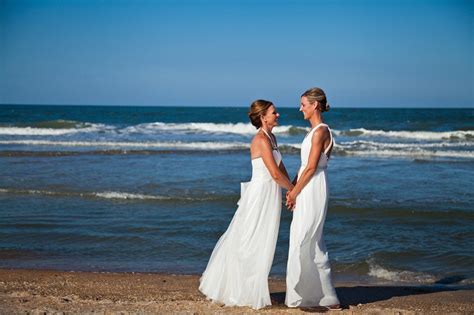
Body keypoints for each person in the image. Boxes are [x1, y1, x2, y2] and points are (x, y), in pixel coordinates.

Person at [199, 99, 293, 309]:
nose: (278, 115)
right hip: (260, 196)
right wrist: (293, 191)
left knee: (264, 241)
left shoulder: (272, 137)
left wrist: (293, 186)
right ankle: (244, 291)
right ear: (263, 117)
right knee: (251, 240)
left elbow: (281, 167)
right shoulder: (260, 140)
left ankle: (255, 288)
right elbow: (275, 174)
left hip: (270, 194)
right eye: (274, 112)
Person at [285, 87, 341, 310]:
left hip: (314, 187)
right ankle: (317, 295)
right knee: (303, 239)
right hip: (306, 186)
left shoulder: (320, 131)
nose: (300, 109)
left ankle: (326, 296)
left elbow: (310, 168)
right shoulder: (311, 132)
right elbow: (303, 168)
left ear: (315, 105)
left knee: (310, 238)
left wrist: (294, 192)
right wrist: (292, 187)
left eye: (303, 104)